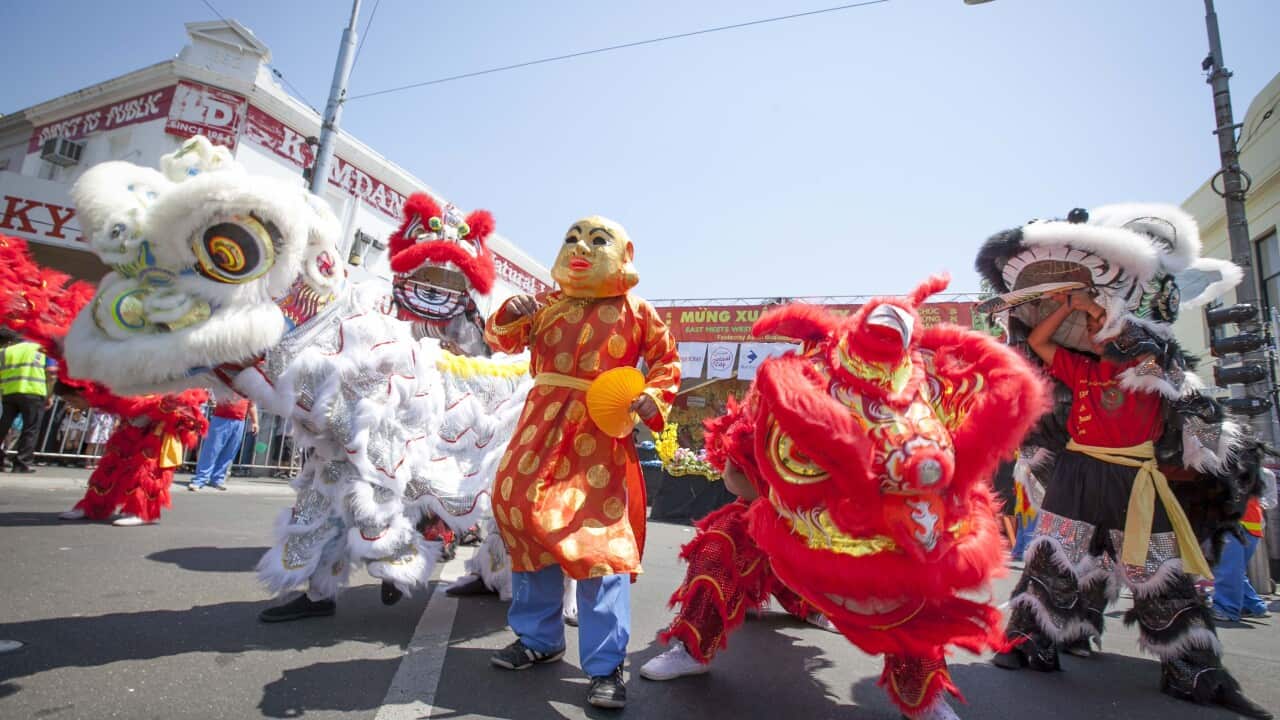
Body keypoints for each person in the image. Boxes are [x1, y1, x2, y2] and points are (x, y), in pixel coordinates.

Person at [991, 288, 1268, 718]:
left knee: (1154, 569)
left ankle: (1191, 667)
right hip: (1076, 473)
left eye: (1104, 323)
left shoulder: (1154, 370)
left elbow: (1198, 413)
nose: (1095, 330)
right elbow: (1040, 343)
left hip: (1134, 480)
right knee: (1050, 555)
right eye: (1091, 327)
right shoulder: (1082, 367)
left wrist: (1093, 307)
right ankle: (1029, 642)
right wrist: (1068, 307)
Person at [484, 215, 680, 710]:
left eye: (597, 241)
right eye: (572, 238)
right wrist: (511, 310)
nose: (581, 248)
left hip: (597, 434)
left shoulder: (637, 310)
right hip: (538, 427)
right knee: (523, 521)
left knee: (598, 542)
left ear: (623, 253)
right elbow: (501, 339)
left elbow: (666, 360)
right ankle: (539, 638)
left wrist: (652, 397)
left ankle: (605, 664)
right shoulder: (547, 304)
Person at [639, 457, 834, 682]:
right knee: (714, 553)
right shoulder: (750, 425)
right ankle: (693, 650)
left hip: (816, 517)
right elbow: (732, 477)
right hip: (759, 506)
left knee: (825, 561)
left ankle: (814, 607)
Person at [0, 329, 55, 473]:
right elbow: (51, 372)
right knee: (31, 428)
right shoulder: (43, 349)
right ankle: (22, 463)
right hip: (33, 392)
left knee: (3, 427)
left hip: (9, 391)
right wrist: (49, 395)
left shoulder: (7, 350)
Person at [1210, 492, 1272, 622]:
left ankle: (1225, 608)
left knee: (1228, 569)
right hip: (1250, 523)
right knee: (1234, 570)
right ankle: (1252, 605)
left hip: (1232, 522)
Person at [189, 396, 256, 491]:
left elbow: (252, 405)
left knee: (229, 452)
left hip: (239, 421)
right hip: (221, 419)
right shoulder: (226, 384)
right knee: (211, 451)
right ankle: (200, 479)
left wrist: (255, 422)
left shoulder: (248, 389)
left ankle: (217, 479)